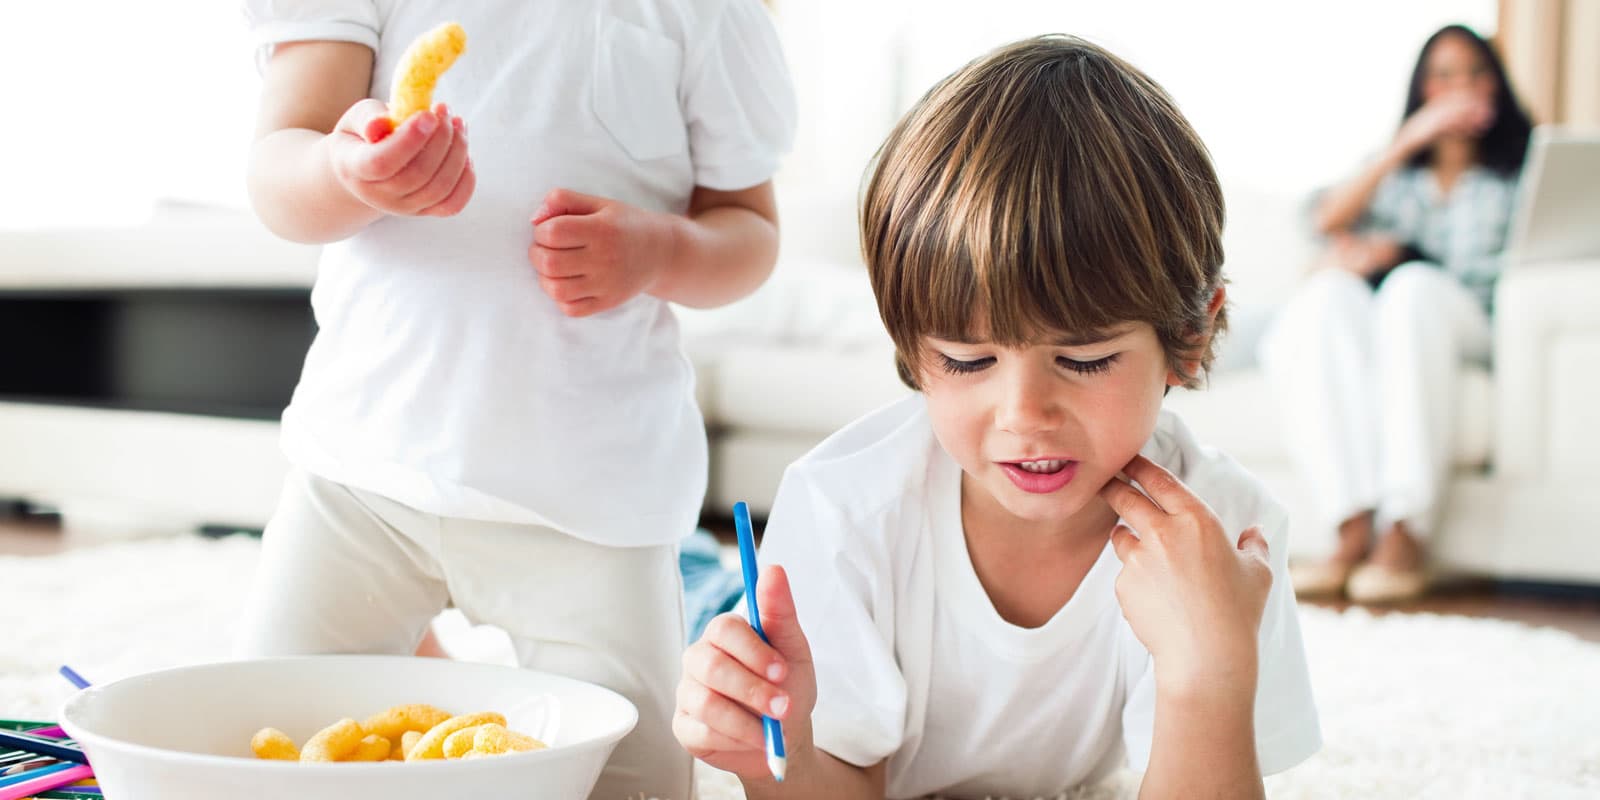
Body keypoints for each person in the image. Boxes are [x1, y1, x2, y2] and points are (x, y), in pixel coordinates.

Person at [671, 35, 1320, 799]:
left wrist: (1208, 675)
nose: (1025, 416)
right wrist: (770, 755)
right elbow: (837, 782)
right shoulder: (843, 511)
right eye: (969, 362)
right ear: (914, 352)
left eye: (1082, 361)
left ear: (1192, 335)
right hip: (750, 595)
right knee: (682, 597)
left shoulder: (1227, 541)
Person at [233, 2, 796, 797]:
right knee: (254, 753)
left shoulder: (706, 14)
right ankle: (434, 682)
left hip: (593, 503)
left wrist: (660, 249)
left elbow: (750, 231)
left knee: (635, 783)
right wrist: (341, 170)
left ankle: (451, 690)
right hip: (364, 477)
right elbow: (277, 167)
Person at [1259, 24, 1532, 603]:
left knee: (1413, 289)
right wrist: (1408, 144)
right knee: (1327, 295)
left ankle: (1406, 528)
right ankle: (1352, 522)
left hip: (1473, 322)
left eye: (1475, 72)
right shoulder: (1396, 174)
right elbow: (1322, 220)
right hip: (1399, 320)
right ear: (1422, 91)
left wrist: (1406, 261)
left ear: (1496, 84)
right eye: (1444, 75)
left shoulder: (1521, 169)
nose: (1462, 87)